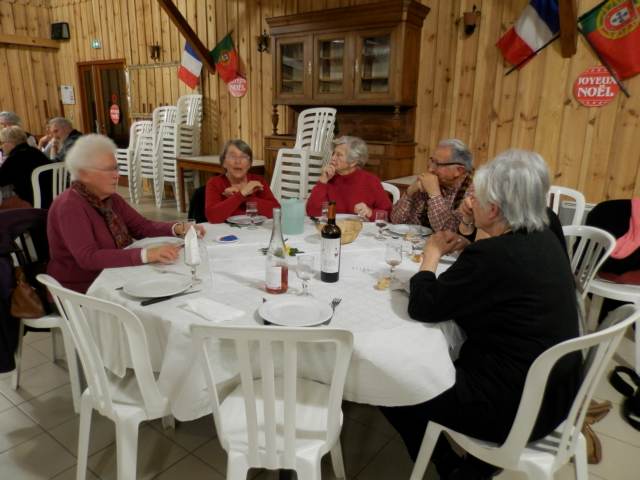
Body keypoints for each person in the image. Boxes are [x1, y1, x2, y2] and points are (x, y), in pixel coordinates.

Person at [382, 150, 581, 479]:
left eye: (476, 197)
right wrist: (472, 237)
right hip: (559, 391)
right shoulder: (546, 226)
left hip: (512, 409)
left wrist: (430, 256)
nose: (470, 202)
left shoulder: (493, 256)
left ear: (495, 208)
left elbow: (424, 307)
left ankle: (451, 467)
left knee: (390, 382)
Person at [47, 134, 204, 293]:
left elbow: (142, 227)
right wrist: (147, 255)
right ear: (84, 174)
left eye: (116, 168)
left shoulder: (109, 199)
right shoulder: (69, 205)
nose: (117, 175)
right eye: (108, 169)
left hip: (114, 277)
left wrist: (178, 228)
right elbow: (88, 258)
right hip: (81, 291)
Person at [390, 139, 473, 231]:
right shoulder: (428, 183)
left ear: (459, 171)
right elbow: (396, 222)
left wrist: (434, 194)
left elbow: (449, 231)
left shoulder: (473, 191)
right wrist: (409, 192)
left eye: (437, 164)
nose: (430, 169)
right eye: (431, 161)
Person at [306, 136, 391, 220]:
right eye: (333, 153)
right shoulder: (328, 178)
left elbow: (388, 214)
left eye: (339, 155)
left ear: (353, 162)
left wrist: (370, 212)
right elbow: (312, 212)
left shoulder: (371, 181)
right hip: (333, 229)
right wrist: (322, 181)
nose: (333, 158)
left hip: (362, 231)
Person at [205, 139, 280, 223]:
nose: (238, 161)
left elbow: (276, 212)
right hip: (228, 233)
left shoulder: (258, 181)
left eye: (244, 157)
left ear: (249, 164)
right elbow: (212, 217)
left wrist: (245, 197)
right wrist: (242, 194)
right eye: (232, 156)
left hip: (256, 232)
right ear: (224, 163)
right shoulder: (215, 183)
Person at [0, 126, 51, 209]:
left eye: (2, 143)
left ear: (10, 142)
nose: (1, 147)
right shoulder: (36, 152)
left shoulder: (15, 157)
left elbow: (1, 179)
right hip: (50, 196)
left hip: (32, 200)